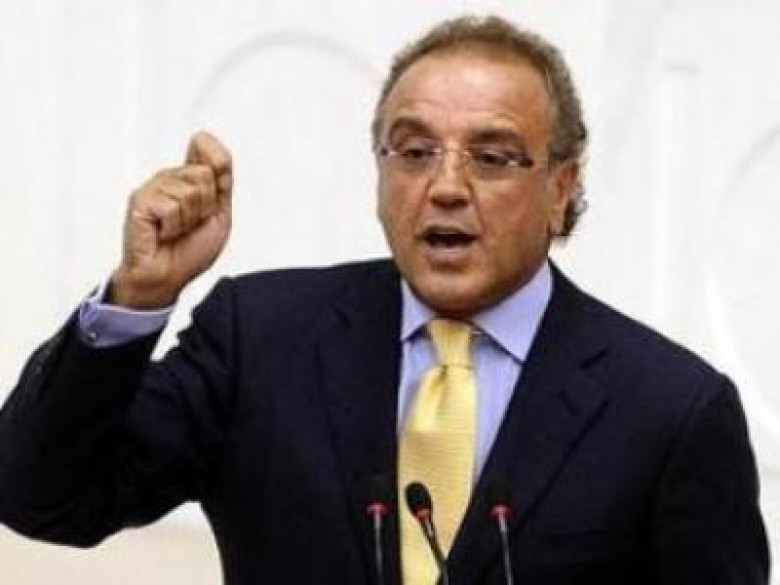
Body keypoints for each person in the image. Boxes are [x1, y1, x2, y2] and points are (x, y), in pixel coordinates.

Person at [0, 14, 769, 585]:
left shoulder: (671, 411)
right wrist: (138, 295)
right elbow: (39, 496)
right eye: (414, 150)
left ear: (561, 189)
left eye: (492, 156)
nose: (445, 185)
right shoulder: (259, 340)